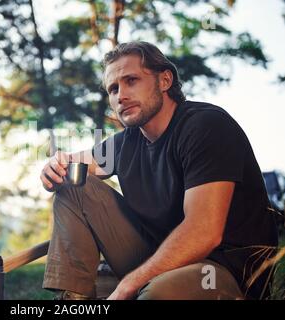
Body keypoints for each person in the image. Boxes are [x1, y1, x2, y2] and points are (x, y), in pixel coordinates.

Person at [39, 41, 278, 300]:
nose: (121, 95)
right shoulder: (126, 143)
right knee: (74, 185)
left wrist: (128, 285)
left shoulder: (206, 126)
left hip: (221, 270)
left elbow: (204, 232)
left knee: (158, 294)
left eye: (131, 80)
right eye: (113, 88)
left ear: (164, 80)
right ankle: (72, 301)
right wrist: (54, 166)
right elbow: (72, 164)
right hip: (159, 259)